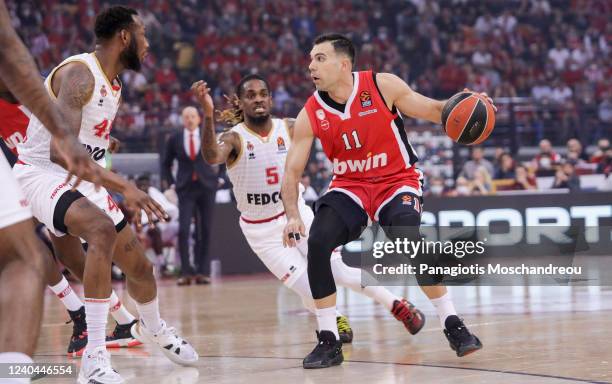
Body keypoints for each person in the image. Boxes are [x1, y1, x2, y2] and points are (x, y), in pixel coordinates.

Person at [12, 6, 198, 382]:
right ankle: (94, 360)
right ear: (125, 38)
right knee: (100, 230)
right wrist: (125, 186)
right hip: (40, 174)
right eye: (143, 36)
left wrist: (102, 143)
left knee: (141, 269)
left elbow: (81, 138)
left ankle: (153, 328)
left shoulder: (114, 84)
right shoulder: (81, 74)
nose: (148, 45)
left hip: (80, 179)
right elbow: (59, 150)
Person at [281, 34, 485, 369]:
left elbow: (436, 110)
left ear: (343, 64)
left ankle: (454, 325)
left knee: (409, 239)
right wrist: (292, 215)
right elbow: (291, 172)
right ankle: (329, 340)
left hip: (396, 180)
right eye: (310, 59)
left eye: (319, 58)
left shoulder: (382, 86)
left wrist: (468, 103)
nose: (310, 66)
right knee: (317, 242)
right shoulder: (311, 112)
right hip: (351, 186)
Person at [195, 74, 425, 345]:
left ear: (270, 98)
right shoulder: (234, 138)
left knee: (338, 271)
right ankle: (335, 318)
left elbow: (337, 125)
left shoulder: (290, 127)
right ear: (241, 102)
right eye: (250, 94)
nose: (257, 98)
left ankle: (396, 305)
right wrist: (208, 115)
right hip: (262, 230)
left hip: (297, 213)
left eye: (262, 93)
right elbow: (211, 156)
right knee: (305, 283)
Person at [0, 0, 102, 377]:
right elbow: (8, 51)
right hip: (25, 171)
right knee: (24, 258)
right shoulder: (20, 84)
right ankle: (75, 317)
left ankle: (74, 319)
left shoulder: (33, 100)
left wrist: (74, 143)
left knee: (27, 256)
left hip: (41, 171)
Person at [0, 87, 141, 356]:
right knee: (65, 254)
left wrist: (94, 141)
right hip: (29, 174)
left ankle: (84, 316)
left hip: (52, 171)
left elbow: (75, 107)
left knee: (30, 247)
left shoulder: (30, 84)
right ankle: (118, 320)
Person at [162, 106, 219, 286]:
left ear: (199, 119)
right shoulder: (175, 138)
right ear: (182, 119)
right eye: (186, 117)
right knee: (184, 229)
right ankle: (186, 272)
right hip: (185, 189)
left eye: (193, 116)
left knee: (206, 229)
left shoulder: (207, 136)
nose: (190, 119)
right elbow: (165, 163)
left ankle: (203, 272)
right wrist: (172, 183)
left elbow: (221, 156)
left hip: (207, 187)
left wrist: (220, 178)